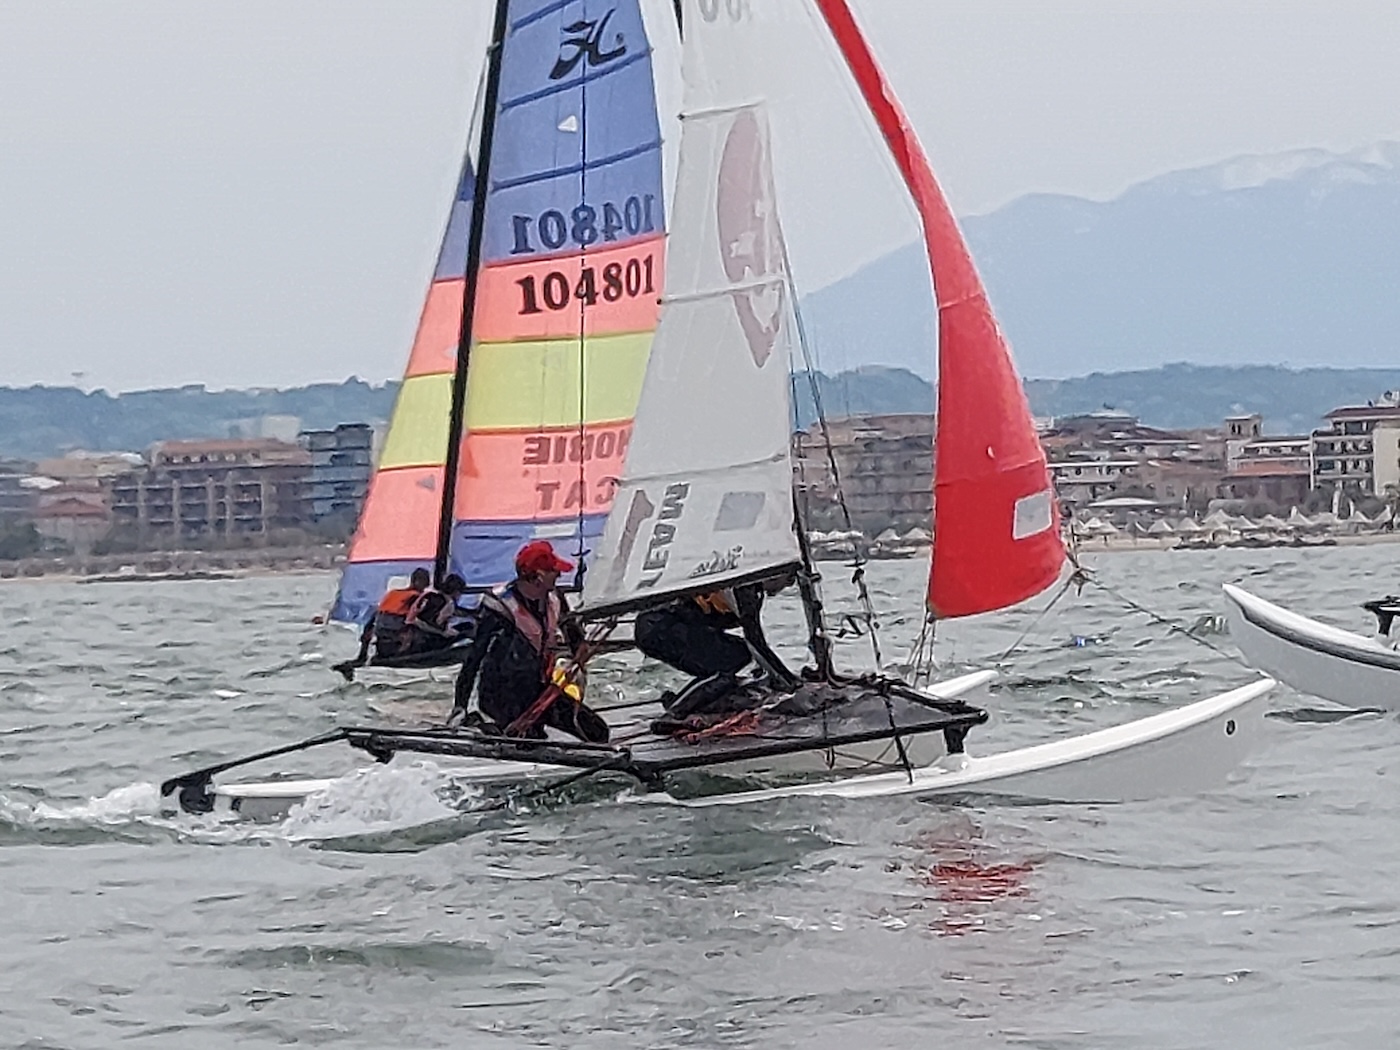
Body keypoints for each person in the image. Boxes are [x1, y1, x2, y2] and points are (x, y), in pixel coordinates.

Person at [452, 541, 609, 743]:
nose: (559, 575)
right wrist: (460, 706)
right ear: (538, 577)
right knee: (528, 739)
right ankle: (481, 723)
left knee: (598, 732)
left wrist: (579, 648)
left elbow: (572, 633)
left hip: (539, 691)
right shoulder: (499, 607)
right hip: (501, 696)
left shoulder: (555, 597)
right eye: (554, 571)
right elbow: (474, 659)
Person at [634, 576, 799, 718]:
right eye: (789, 578)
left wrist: (769, 673)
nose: (789, 584)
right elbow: (755, 641)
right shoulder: (744, 588)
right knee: (726, 668)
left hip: (656, 625)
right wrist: (789, 681)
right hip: (661, 627)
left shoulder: (750, 588)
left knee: (739, 653)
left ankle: (681, 701)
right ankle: (676, 713)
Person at [332, 568, 430, 680]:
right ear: (417, 581)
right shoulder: (417, 598)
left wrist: (364, 650)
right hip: (397, 644)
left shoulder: (393, 594)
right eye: (425, 581)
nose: (427, 585)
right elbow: (416, 622)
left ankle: (361, 659)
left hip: (380, 641)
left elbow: (374, 618)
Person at [403, 574, 469, 654]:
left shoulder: (428, 594)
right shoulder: (449, 603)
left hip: (411, 631)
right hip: (427, 637)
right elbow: (438, 623)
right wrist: (448, 633)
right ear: (456, 591)